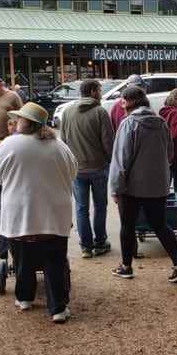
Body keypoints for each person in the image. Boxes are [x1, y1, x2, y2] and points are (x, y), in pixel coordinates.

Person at [0, 102, 78, 323]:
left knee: (22, 259)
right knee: (55, 261)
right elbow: (73, 170)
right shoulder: (58, 145)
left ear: (25, 122)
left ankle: (25, 297)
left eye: (18, 118)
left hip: (21, 212)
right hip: (55, 211)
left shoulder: (9, 144)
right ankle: (58, 308)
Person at [109, 86, 177, 283]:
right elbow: (169, 153)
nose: (121, 103)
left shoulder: (128, 124)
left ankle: (126, 266)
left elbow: (121, 160)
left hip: (132, 187)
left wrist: (116, 188)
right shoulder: (161, 123)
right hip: (158, 186)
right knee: (159, 224)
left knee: (128, 225)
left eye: (123, 100)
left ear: (129, 102)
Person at [60, 79, 115, 259]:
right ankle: (100, 242)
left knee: (81, 208)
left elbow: (64, 140)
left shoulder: (67, 112)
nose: (100, 93)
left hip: (77, 169)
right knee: (100, 206)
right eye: (99, 90)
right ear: (92, 92)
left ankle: (85, 246)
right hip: (98, 167)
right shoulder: (100, 112)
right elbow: (108, 142)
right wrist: (109, 160)